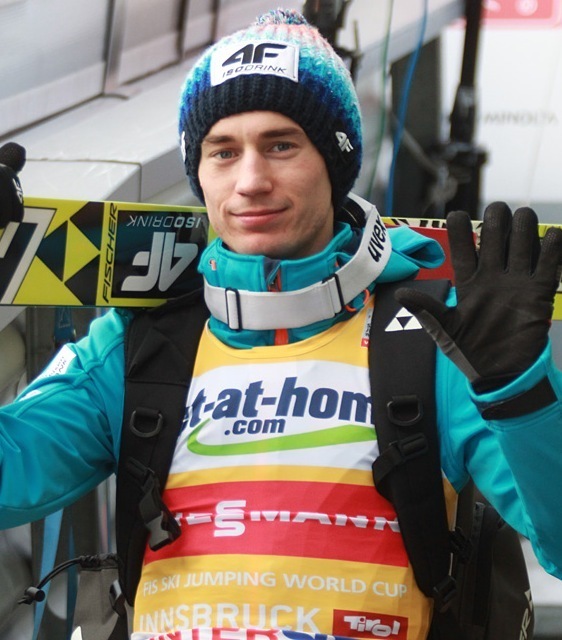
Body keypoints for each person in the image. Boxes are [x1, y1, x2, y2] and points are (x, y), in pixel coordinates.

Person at [1, 8, 562, 640]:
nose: (250, 181)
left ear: (335, 161)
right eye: (223, 151)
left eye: (281, 145)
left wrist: (521, 391)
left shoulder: (431, 340)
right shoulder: (140, 345)